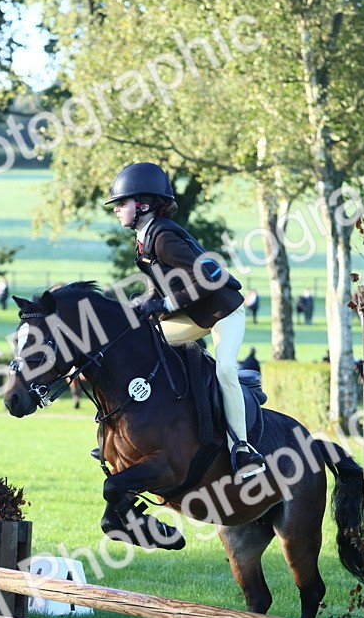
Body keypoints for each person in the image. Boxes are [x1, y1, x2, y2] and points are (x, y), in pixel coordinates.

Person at [107, 161, 265, 480]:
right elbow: (161, 282)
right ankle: (132, 434)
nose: (117, 210)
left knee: (224, 370)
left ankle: (243, 449)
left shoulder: (164, 238)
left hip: (223, 312)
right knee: (143, 347)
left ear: (144, 205)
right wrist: (141, 304)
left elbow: (210, 277)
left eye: (122, 203)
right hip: (193, 315)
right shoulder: (145, 241)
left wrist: (164, 303)